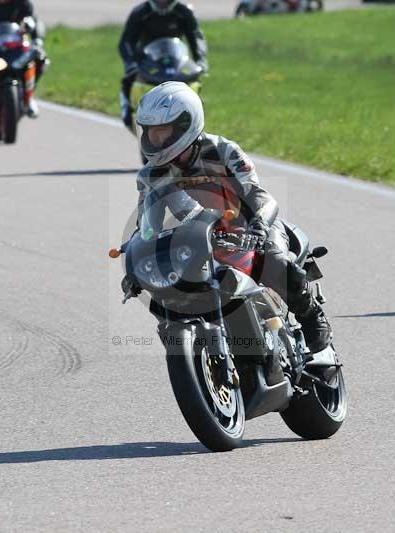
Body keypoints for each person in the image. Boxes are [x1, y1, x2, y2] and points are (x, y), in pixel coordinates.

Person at [124, 81, 331, 353]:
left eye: (162, 131)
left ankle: (312, 316)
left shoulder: (223, 151)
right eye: (151, 132)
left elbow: (258, 195)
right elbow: (147, 226)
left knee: (276, 261)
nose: (155, 140)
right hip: (197, 237)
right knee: (167, 292)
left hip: (250, 227)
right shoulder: (151, 174)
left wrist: (259, 225)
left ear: (186, 124)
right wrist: (136, 259)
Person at [118, 0, 208, 130]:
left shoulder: (183, 12)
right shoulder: (140, 12)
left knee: (194, 83)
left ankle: (196, 116)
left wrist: (201, 60)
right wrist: (131, 64)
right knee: (129, 81)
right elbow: (126, 41)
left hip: (176, 62)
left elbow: (196, 37)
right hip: (148, 63)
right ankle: (128, 112)